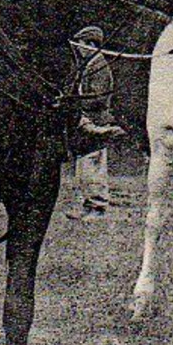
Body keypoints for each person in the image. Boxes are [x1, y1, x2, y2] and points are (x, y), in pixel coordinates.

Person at [63, 25, 121, 221]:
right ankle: (86, 205)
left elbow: (98, 98)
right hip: (85, 120)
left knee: (93, 166)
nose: (78, 49)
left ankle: (97, 207)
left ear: (90, 45)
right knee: (83, 166)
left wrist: (73, 101)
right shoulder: (88, 65)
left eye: (80, 44)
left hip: (96, 120)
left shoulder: (99, 65)